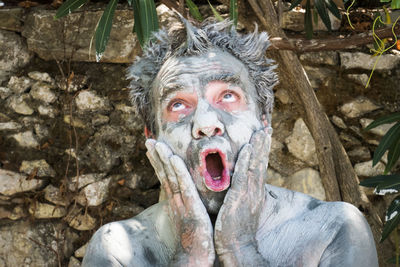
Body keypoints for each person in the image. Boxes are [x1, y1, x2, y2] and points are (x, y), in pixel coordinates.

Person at [82, 19, 378, 266]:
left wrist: (241, 249)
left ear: (264, 117)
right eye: (178, 105)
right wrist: (190, 255)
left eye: (227, 96)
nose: (205, 124)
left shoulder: (335, 230)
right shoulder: (117, 250)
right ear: (153, 136)